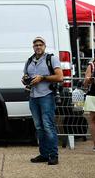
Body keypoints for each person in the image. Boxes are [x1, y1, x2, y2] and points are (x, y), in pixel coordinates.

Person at [23, 35, 64, 165]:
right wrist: (25, 79)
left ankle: (53, 155)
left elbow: (60, 77)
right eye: (36, 45)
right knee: (39, 127)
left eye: (40, 45)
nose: (38, 47)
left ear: (44, 46)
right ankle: (44, 154)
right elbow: (25, 76)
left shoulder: (51, 59)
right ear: (33, 47)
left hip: (46, 95)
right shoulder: (29, 61)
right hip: (33, 96)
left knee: (48, 126)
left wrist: (42, 78)